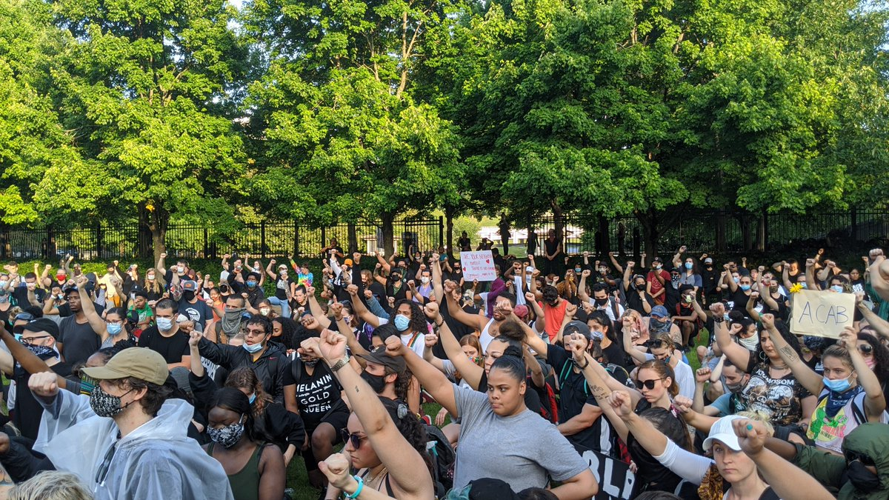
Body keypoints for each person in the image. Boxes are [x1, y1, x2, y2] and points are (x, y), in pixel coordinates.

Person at [28, 348, 234, 499]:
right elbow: (75, 408)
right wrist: (49, 395)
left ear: (138, 391)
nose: (99, 389)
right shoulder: (113, 429)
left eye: (109, 383)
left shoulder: (154, 459)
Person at [306, 330, 435, 500]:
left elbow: (378, 426)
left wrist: (351, 486)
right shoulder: (367, 463)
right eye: (347, 436)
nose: (349, 447)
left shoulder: (407, 478)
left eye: (357, 439)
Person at [762, 317, 887, 454]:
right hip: (811, 462)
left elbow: (875, 394)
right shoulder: (823, 389)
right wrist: (772, 330)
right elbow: (794, 361)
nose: (831, 376)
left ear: (855, 372)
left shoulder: (864, 402)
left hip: (844, 471)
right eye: (827, 370)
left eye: (838, 371)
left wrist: (852, 349)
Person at [713, 303, 816, 429]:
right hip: (741, 429)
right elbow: (726, 345)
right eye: (763, 339)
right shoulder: (756, 363)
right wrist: (719, 318)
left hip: (775, 439)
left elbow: (808, 418)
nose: (767, 344)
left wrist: (782, 434)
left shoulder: (803, 375)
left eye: (771, 339)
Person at [204, 387, 286, 500]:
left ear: (244, 418)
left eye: (226, 423)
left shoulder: (268, 456)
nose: (219, 429)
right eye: (213, 424)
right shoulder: (202, 453)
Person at [197, 315, 291, 404]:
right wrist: (194, 335)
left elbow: (282, 393)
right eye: (247, 331)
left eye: (256, 332)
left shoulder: (278, 360)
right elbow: (212, 350)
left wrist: (270, 413)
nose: (249, 335)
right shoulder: (235, 353)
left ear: (268, 336)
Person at [137, 298, 191, 370]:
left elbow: (187, 365)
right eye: (158, 316)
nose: (162, 320)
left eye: (166, 316)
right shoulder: (147, 335)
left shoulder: (185, 336)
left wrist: (157, 367)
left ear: (176, 316)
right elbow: (140, 362)